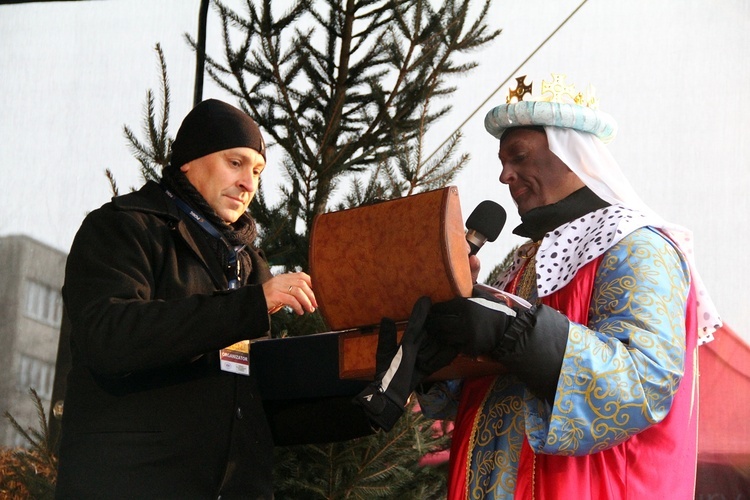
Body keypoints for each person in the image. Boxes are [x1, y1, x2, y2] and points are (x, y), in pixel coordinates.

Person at [418, 74, 722, 499]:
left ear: (570, 153)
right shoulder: (525, 260)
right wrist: (437, 359)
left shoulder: (637, 245)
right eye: (503, 162)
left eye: (519, 157)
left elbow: (643, 383)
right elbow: (489, 391)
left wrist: (516, 333)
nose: (505, 175)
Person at [55, 99, 319, 499]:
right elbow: (109, 337)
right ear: (188, 162)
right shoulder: (122, 227)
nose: (250, 184)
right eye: (236, 163)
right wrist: (248, 307)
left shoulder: (249, 265)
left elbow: (266, 401)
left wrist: (385, 379)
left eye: (258, 171)